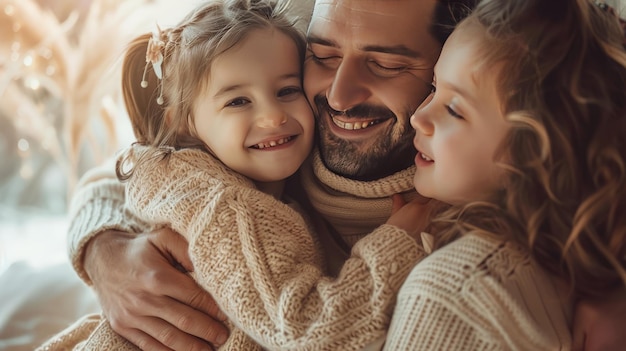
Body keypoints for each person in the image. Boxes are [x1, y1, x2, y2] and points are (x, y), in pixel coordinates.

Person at [64, 0, 626, 350]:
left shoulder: (466, 203)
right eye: (324, 54)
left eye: (386, 63)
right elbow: (142, 166)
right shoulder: (281, 131)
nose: (336, 94)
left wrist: (610, 281)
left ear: (448, 65)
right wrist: (106, 249)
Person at [38, 0, 427, 350]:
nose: (273, 116)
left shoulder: (226, 173)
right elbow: (313, 334)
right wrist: (104, 249)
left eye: (287, 90)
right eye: (238, 100)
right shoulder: (229, 205)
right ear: (183, 124)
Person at [382, 0, 626, 349]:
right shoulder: (572, 275)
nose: (419, 117)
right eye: (434, 88)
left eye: (454, 109)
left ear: (539, 155)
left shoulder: (454, 292)